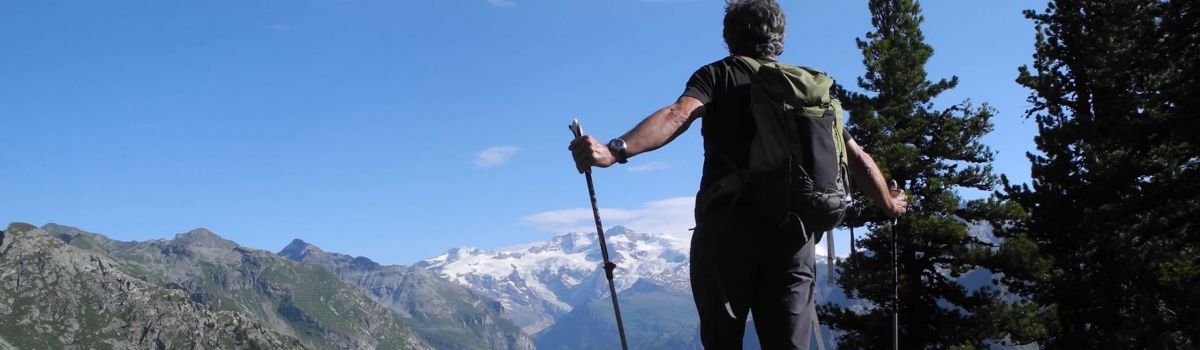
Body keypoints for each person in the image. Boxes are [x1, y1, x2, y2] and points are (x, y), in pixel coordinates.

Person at [569, 0, 907, 348]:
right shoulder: (808, 92)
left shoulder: (718, 75)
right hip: (793, 236)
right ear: (780, 39)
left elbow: (676, 115)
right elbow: (858, 158)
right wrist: (888, 203)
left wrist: (615, 150)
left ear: (728, 37)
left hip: (728, 232)